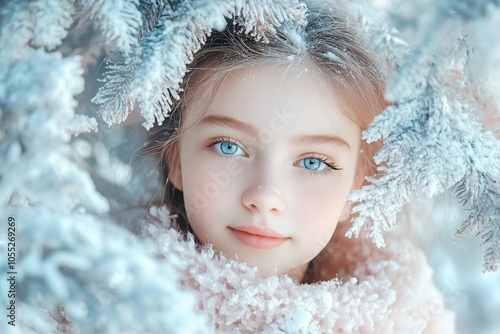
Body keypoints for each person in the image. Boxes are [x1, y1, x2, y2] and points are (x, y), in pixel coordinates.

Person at [144, 0, 456, 331]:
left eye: (312, 162)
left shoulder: (409, 323)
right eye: (229, 146)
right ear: (175, 158)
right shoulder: (109, 305)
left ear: (356, 188)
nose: (265, 197)